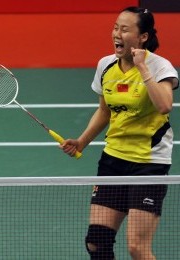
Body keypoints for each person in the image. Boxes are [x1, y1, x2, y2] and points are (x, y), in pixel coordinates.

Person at [61, 6, 179, 260]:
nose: (117, 33)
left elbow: (164, 105)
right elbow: (104, 110)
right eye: (116, 27)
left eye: (125, 29)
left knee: (137, 248)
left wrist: (143, 69)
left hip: (149, 163)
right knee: (97, 242)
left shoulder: (160, 67)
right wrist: (82, 141)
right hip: (113, 160)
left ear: (143, 37)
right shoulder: (106, 65)